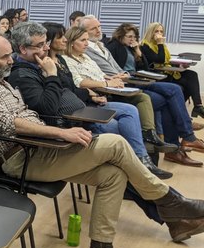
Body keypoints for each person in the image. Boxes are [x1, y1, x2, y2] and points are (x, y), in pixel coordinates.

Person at [0, 30, 204, 248]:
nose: (11, 60)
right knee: (116, 144)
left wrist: (60, 133)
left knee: (113, 175)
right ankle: (170, 201)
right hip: (21, 158)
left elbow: (32, 113)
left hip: (39, 148)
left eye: (10, 54)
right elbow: (10, 123)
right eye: (4, 57)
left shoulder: (0, 81)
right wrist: (61, 133)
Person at [8, 22, 172, 178]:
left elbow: (68, 87)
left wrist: (55, 74)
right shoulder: (23, 74)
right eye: (40, 45)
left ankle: (142, 163)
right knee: (121, 132)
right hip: (71, 122)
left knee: (132, 115)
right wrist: (52, 75)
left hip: (82, 111)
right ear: (23, 49)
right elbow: (47, 107)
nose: (46, 47)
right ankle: (141, 169)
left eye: (46, 43)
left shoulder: (44, 64)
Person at [78, 16, 203, 155]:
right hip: (120, 85)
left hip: (131, 78)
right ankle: (181, 142)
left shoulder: (103, 47)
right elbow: (96, 74)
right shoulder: (105, 47)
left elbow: (130, 66)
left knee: (177, 88)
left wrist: (129, 65)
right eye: (93, 28)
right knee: (169, 96)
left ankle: (182, 140)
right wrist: (116, 77)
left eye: (99, 26)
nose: (98, 30)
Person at [61, 26, 179, 154]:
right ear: (72, 42)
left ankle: (149, 136)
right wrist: (107, 82)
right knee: (157, 100)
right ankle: (143, 152)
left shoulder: (86, 56)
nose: (86, 43)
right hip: (95, 96)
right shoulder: (67, 60)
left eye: (87, 40)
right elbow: (79, 82)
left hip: (109, 89)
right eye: (83, 40)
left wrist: (114, 76)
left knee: (151, 97)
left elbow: (103, 72)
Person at [108, 23, 204, 167]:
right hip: (129, 83)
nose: (132, 39)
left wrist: (139, 54)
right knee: (171, 94)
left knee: (176, 89)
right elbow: (156, 61)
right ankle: (183, 139)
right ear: (120, 35)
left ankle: (182, 140)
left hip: (141, 79)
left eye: (134, 37)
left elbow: (145, 68)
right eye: (129, 36)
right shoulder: (114, 47)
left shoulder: (132, 48)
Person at [141, 22, 204, 118]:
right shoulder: (145, 46)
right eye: (156, 31)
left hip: (167, 72)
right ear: (150, 32)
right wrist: (160, 44)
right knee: (185, 85)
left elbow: (166, 61)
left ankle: (197, 106)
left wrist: (180, 65)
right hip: (157, 75)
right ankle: (181, 116)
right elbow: (160, 60)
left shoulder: (163, 46)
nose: (159, 34)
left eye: (161, 32)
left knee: (191, 75)